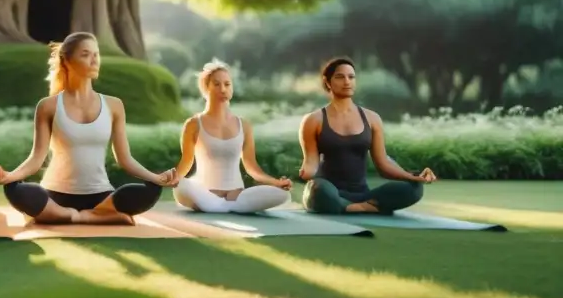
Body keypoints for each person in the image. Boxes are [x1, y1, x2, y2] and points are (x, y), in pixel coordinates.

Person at [0, 32, 177, 225]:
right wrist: (8, 177)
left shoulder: (114, 105)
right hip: (54, 194)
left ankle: (69, 216)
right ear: (67, 61)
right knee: (14, 188)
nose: (94, 60)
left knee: (151, 190)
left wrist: (157, 178)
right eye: (85, 54)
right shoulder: (48, 106)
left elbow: (124, 159)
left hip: (101, 196)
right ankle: (87, 216)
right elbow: (36, 159)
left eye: (96, 54)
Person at [298, 56, 437, 215]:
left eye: (351, 77)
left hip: (364, 194)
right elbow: (311, 161)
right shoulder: (313, 120)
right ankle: (364, 207)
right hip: (329, 192)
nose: (347, 81)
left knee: (414, 189)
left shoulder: (372, 118)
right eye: (340, 77)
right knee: (317, 189)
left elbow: (383, 164)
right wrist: (307, 171)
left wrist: (414, 177)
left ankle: (351, 207)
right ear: (327, 82)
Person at [172, 60, 292, 214]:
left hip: (236, 195)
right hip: (205, 193)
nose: (223, 89)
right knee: (181, 186)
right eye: (216, 84)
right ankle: (226, 206)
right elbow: (186, 163)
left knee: (282, 194)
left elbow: (251, 167)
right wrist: (171, 179)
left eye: (227, 84)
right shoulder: (193, 124)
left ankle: (221, 206)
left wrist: (276, 182)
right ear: (205, 88)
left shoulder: (244, 125)